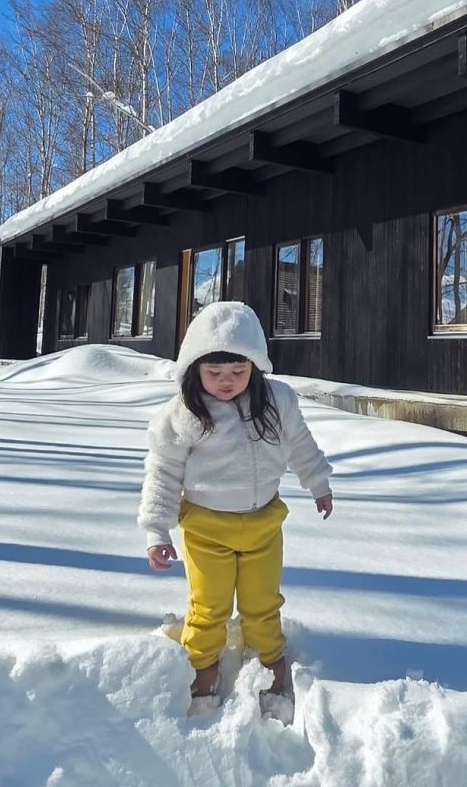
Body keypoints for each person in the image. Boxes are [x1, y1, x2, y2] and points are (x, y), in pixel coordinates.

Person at [138, 301, 333, 713]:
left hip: (264, 525)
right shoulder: (184, 414)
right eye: (215, 373)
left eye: (238, 372)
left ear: (255, 366)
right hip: (206, 529)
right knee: (209, 606)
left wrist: (318, 482)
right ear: (194, 369)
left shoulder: (278, 402)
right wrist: (157, 529)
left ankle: (272, 661)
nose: (227, 382)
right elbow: (163, 472)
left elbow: (300, 445)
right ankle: (202, 667)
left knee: (263, 602)